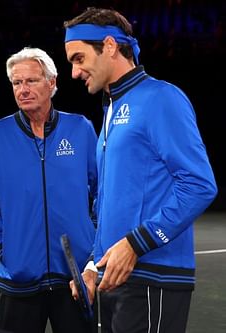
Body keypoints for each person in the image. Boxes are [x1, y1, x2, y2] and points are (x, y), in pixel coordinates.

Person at [63, 7, 218, 332]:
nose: (75, 73)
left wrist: (137, 243)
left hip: (153, 277)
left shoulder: (161, 98)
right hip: (115, 279)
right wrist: (94, 264)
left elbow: (199, 185)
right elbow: (108, 203)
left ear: (108, 45)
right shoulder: (110, 110)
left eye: (79, 59)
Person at [0, 47, 98, 333]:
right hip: (18, 279)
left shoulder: (80, 128)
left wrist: (90, 240)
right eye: (17, 83)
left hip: (74, 278)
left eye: (31, 81)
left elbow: (101, 191)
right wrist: (6, 249)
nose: (23, 89)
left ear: (52, 83)